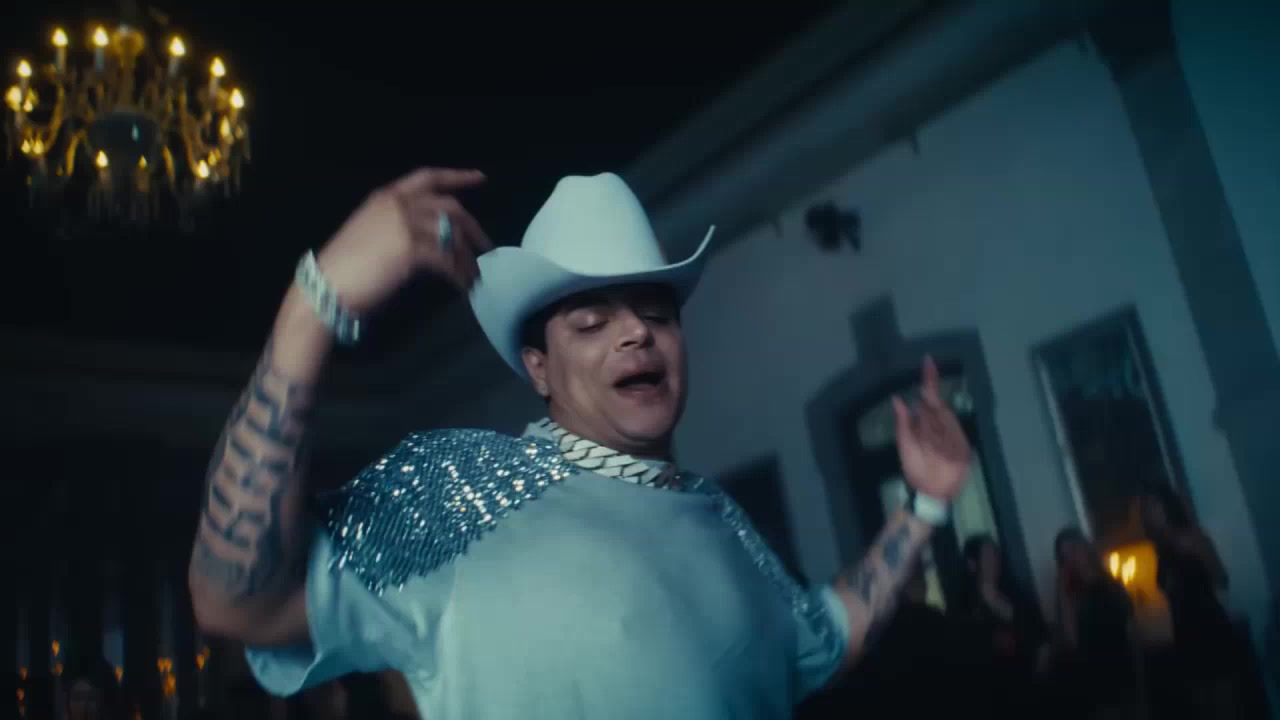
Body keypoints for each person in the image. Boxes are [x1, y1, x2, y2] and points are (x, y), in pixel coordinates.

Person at [186, 168, 974, 719]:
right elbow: (234, 599)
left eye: (656, 314)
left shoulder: (722, 519)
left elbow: (822, 641)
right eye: (593, 322)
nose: (636, 332)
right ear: (539, 368)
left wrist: (927, 505)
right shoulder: (458, 487)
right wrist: (311, 309)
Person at [1138, 487, 1242, 719]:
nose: (1151, 512)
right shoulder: (1160, 548)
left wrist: (1199, 551)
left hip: (1211, 628)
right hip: (1185, 634)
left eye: (1154, 506)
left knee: (1225, 705)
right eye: (1147, 509)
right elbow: (1170, 592)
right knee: (1202, 706)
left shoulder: (1193, 537)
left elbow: (1221, 580)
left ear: (1167, 507)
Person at [1050, 528, 1146, 720]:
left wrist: (1140, 670)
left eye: (1074, 549)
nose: (1071, 558)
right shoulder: (1069, 595)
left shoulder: (1110, 583)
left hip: (1125, 669)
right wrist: (1063, 591)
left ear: (1085, 548)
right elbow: (1071, 640)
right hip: (1095, 679)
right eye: (1065, 556)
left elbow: (1131, 626)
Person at [959, 534, 1048, 717]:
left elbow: (1041, 635)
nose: (994, 561)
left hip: (1029, 689)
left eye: (996, 555)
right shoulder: (965, 609)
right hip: (994, 699)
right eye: (987, 557)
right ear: (972, 564)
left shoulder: (1016, 593)